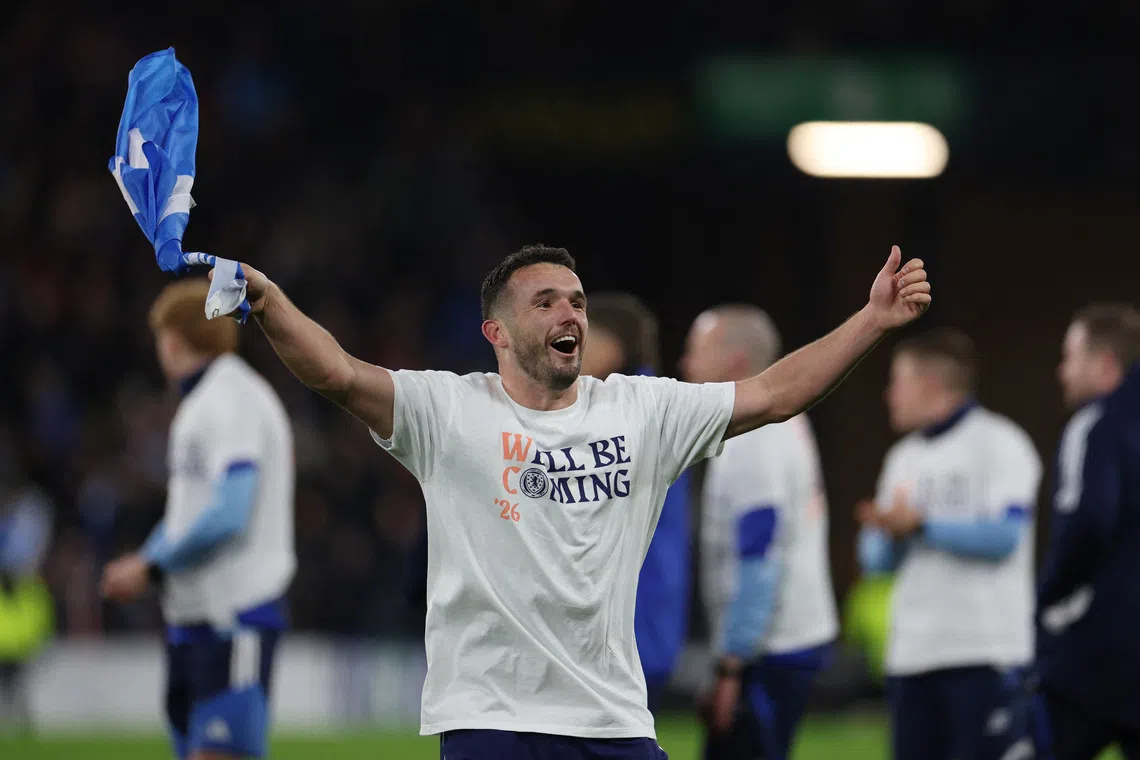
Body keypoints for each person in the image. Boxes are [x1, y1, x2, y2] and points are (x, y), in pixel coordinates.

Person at [219, 242, 929, 760]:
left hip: (611, 721)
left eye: (579, 301)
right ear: (496, 332)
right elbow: (339, 373)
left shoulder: (644, 410)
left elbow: (774, 394)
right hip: (491, 719)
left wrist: (869, 321)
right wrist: (270, 301)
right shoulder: (447, 409)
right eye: (547, 301)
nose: (572, 312)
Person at [101, 279, 296, 760]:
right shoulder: (205, 401)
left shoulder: (229, 398)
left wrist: (149, 568)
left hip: (233, 615)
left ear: (172, 339)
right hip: (193, 622)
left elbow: (230, 512)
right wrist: (146, 559)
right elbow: (188, 515)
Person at [856, 328, 1041, 760]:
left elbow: (1005, 538)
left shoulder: (1001, 443)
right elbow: (875, 562)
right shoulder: (901, 457)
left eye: (898, 382)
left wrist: (922, 525)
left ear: (931, 384)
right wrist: (889, 531)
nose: (889, 395)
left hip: (983, 651)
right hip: (912, 657)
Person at [680, 305, 838, 760]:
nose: (685, 364)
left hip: (768, 649)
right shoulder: (783, 422)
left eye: (696, 351)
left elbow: (758, 554)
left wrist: (731, 666)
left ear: (734, 363)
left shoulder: (754, 437)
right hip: (785, 639)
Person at [1036, 303, 1140, 759]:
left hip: (1098, 652)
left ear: (1105, 364)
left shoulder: (1095, 425)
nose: (1062, 372)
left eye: (1070, 357)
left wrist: (1045, 598)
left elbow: (1088, 524)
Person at [580, 292, 693, 713]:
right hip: (647, 613)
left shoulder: (635, 408)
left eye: (583, 342)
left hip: (633, 615)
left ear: (613, 347)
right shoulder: (646, 402)